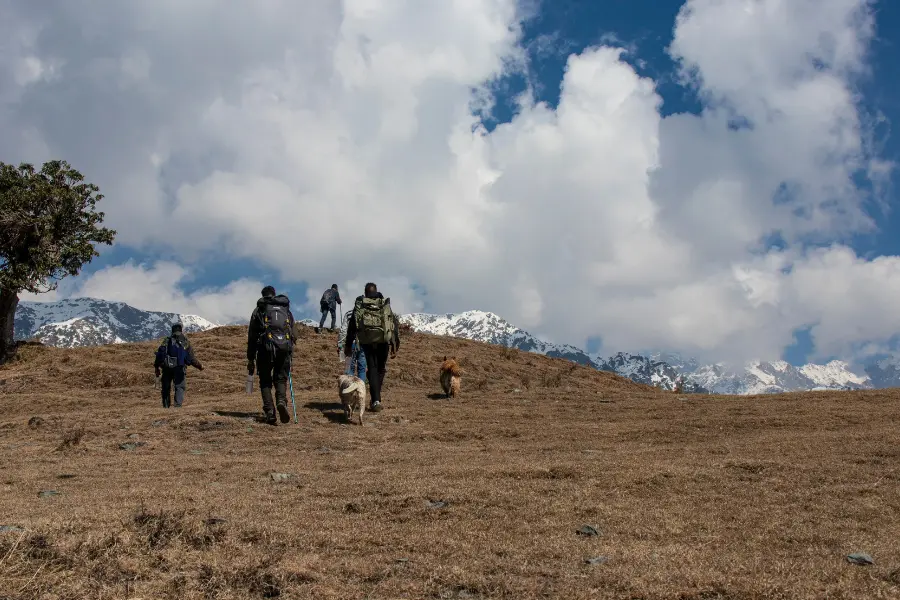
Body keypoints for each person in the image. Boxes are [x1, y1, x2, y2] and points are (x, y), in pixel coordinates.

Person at [343, 282, 400, 412]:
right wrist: (395, 345)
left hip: (367, 342)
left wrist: (348, 344)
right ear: (376, 291)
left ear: (365, 292)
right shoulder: (383, 304)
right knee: (380, 369)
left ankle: (375, 399)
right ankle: (376, 399)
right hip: (383, 342)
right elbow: (393, 324)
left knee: (373, 369)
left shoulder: (361, 304)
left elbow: (353, 325)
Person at [247, 285, 296, 425]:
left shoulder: (259, 310)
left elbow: (252, 335)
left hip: (265, 349)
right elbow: (293, 333)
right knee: (280, 379)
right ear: (274, 294)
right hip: (284, 348)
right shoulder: (285, 309)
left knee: (265, 380)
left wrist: (250, 358)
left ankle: (270, 412)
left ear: (263, 295)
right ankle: (281, 401)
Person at [154, 323, 204, 408]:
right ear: (181, 330)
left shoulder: (166, 340)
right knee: (179, 387)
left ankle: (166, 406)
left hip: (166, 368)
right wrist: (199, 366)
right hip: (180, 368)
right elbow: (191, 358)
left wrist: (156, 367)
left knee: (166, 387)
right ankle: (177, 407)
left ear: (172, 331)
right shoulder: (185, 342)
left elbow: (160, 354)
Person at [337, 310, 367, 383]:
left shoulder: (349, 314)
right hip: (364, 344)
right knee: (362, 369)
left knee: (349, 368)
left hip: (350, 344)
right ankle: (361, 388)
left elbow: (343, 330)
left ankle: (349, 386)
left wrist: (340, 344)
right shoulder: (367, 313)